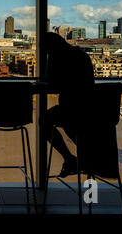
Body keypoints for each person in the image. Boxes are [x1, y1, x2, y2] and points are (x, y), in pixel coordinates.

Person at [41, 32, 95, 177]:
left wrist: (49, 60)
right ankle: (89, 159)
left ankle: (70, 158)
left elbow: (51, 83)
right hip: (90, 110)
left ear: (51, 47)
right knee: (73, 127)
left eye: (45, 49)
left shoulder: (57, 56)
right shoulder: (82, 55)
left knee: (44, 121)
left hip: (71, 109)